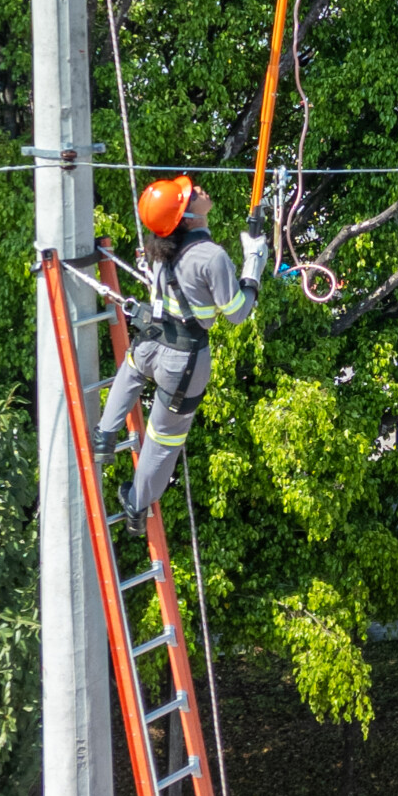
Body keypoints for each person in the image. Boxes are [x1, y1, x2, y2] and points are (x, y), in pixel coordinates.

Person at [92, 175, 268, 535]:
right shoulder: (210, 256)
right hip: (184, 360)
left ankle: (104, 437)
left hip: (151, 341)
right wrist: (254, 266)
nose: (200, 191)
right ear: (187, 216)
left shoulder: (162, 246)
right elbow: (236, 312)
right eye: (191, 195)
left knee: (131, 370)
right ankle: (137, 507)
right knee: (162, 441)